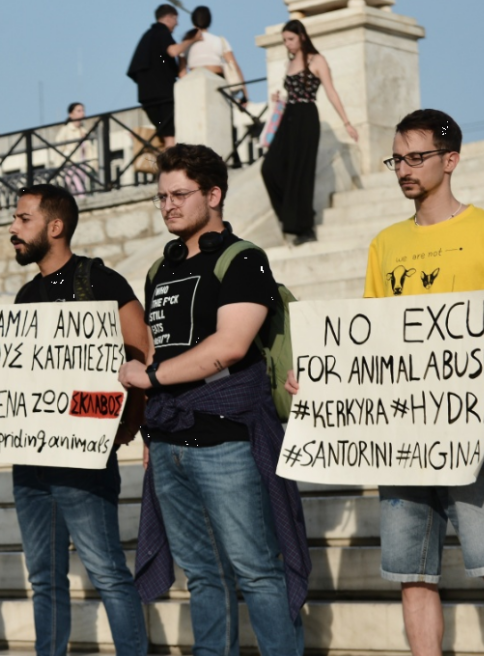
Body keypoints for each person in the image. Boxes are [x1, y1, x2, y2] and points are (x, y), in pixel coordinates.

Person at [287, 110, 484, 655]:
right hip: (402, 437)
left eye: (416, 157)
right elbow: (372, 342)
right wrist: (323, 379)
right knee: (412, 576)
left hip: (479, 435)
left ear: (450, 160)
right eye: (397, 159)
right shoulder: (384, 244)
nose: (404, 169)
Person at [122, 144, 309, 654]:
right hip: (168, 438)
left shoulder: (244, 259)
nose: (168, 205)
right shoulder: (160, 269)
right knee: (202, 575)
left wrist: (151, 378)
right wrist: (150, 428)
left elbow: (230, 346)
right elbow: (161, 346)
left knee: (256, 570)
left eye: (180, 194)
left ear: (214, 195)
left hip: (228, 436)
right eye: (162, 197)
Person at [7, 183, 151, 656]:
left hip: (83, 459)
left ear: (55, 226)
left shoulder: (99, 280)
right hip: (30, 461)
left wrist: (128, 427)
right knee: (44, 578)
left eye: (23, 219)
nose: (13, 228)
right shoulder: (26, 295)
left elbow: (141, 351)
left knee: (106, 571)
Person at [261, 19, 358, 246]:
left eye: (291, 39)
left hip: (306, 118)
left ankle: (305, 228)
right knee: (269, 169)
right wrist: (279, 100)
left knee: (301, 172)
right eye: (284, 40)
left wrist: (347, 122)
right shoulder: (289, 63)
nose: (287, 44)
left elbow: (331, 92)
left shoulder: (317, 60)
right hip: (288, 118)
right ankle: (290, 217)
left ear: (302, 37)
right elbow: (292, 94)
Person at [127, 4, 201, 150]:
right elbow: (173, 51)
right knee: (170, 137)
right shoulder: (162, 33)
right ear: (168, 18)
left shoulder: (147, 36)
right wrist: (192, 40)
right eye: (176, 19)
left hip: (147, 97)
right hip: (164, 96)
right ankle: (171, 164)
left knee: (165, 135)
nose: (177, 23)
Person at [180, 6, 247, 101]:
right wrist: (245, 95)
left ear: (193, 22)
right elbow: (234, 66)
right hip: (218, 82)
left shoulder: (185, 44)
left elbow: (182, 73)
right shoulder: (219, 41)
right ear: (209, 21)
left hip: (195, 83)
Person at [51, 103, 93, 197]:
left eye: (83, 110)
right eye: (79, 111)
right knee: (78, 189)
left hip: (83, 164)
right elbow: (58, 149)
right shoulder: (65, 130)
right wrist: (59, 166)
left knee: (80, 188)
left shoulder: (84, 130)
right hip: (71, 165)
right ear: (71, 114)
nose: (82, 113)